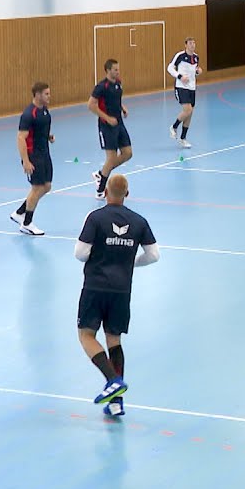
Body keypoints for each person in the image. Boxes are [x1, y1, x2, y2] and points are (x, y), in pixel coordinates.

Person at [74, 174, 159, 417]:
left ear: (106, 192)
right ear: (127, 194)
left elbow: (80, 253)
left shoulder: (95, 218)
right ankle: (116, 402)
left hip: (95, 287)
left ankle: (113, 379)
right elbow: (153, 255)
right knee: (114, 339)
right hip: (122, 290)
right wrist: (130, 263)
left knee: (86, 335)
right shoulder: (139, 221)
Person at [11, 82, 54, 236]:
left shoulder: (44, 110)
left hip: (44, 153)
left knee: (46, 186)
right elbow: (21, 138)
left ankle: (20, 212)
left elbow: (39, 130)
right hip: (33, 155)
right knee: (37, 188)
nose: (49, 96)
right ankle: (27, 223)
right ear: (37, 94)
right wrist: (26, 161)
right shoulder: (29, 114)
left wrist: (48, 136)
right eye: (46, 94)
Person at [89, 59, 132, 200]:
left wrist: (122, 107)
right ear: (108, 70)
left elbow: (116, 99)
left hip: (119, 123)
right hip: (106, 126)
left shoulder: (118, 83)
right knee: (111, 158)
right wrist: (107, 118)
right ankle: (100, 190)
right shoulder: (101, 87)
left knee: (128, 153)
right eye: (115, 70)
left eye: (118, 69)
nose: (118, 72)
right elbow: (91, 105)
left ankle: (101, 174)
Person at [167, 38, 202, 149]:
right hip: (181, 87)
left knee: (190, 113)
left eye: (194, 43)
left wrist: (197, 72)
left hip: (192, 88)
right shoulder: (180, 56)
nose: (192, 45)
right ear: (186, 45)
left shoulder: (196, 57)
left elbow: (193, 72)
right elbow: (169, 68)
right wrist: (180, 76)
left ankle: (183, 138)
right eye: (190, 43)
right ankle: (174, 127)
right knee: (188, 110)